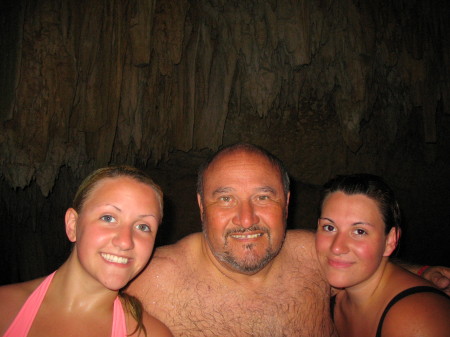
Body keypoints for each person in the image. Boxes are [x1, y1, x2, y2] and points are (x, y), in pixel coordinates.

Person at [126, 143, 450, 337]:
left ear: (288, 202)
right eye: (225, 199)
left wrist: (421, 272)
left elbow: (359, 259)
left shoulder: (313, 255)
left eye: (264, 197)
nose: (247, 218)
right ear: (200, 206)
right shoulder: (148, 282)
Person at [0, 166, 173, 337]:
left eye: (143, 227)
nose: (125, 242)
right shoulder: (5, 308)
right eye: (108, 218)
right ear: (73, 225)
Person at [315, 173, 450, 337]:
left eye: (359, 231)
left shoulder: (417, 321)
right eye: (329, 227)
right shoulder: (337, 292)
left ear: (390, 241)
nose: (337, 247)